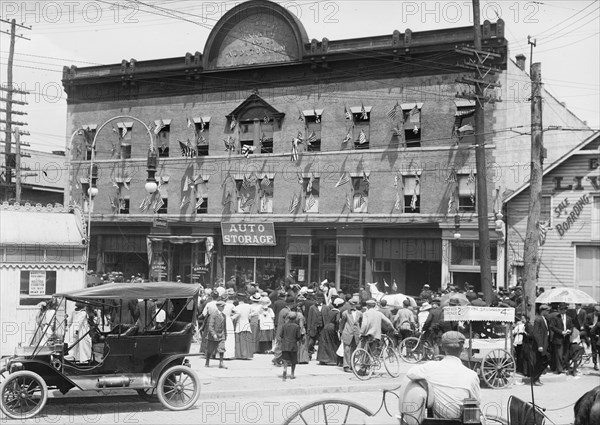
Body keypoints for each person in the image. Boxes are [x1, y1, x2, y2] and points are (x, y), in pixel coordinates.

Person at [399, 331, 481, 425]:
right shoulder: (471, 375)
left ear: (442, 347)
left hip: (436, 421)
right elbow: (477, 401)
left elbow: (410, 373)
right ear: (462, 348)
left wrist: (425, 383)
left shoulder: (430, 367)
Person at [339, 296, 362, 372]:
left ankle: (352, 365)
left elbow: (361, 324)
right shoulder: (345, 313)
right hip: (347, 332)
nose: (352, 306)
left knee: (354, 349)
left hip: (356, 334)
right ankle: (346, 366)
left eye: (354, 304)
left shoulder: (360, 313)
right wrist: (341, 332)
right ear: (349, 304)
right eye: (351, 304)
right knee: (346, 349)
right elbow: (342, 323)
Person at [317, 296, 342, 365]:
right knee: (334, 343)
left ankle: (322, 359)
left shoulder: (330, 311)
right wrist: (338, 329)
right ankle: (334, 359)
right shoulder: (337, 312)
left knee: (324, 343)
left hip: (326, 327)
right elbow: (337, 320)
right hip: (332, 327)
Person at [549, 302, 573, 373]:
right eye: (561, 309)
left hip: (566, 338)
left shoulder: (569, 318)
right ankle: (559, 369)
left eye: (563, 309)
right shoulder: (555, 318)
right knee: (559, 354)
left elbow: (571, 326)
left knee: (565, 354)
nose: (562, 311)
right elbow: (552, 327)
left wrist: (570, 331)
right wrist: (561, 332)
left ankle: (564, 367)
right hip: (558, 338)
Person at [280, 312, 303, 380]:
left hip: (285, 345)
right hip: (293, 345)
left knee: (285, 359)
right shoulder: (296, 326)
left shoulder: (284, 326)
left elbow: (281, 335)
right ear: (295, 318)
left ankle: (285, 370)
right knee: (293, 360)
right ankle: (292, 373)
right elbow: (298, 336)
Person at [205, 300, 227, 369]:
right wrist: (213, 334)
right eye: (222, 306)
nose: (223, 307)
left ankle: (221, 363)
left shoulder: (224, 315)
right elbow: (210, 326)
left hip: (221, 334)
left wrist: (225, 335)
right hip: (213, 335)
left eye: (223, 306)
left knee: (221, 348)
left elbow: (224, 326)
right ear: (218, 307)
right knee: (210, 349)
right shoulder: (213, 315)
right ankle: (207, 361)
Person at [232, 294, 253, 360]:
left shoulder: (237, 307)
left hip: (240, 323)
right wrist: (249, 316)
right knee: (246, 340)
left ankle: (240, 354)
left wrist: (232, 318)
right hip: (246, 323)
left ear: (238, 299)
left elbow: (236, 315)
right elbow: (255, 312)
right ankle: (246, 354)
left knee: (239, 340)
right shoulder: (249, 306)